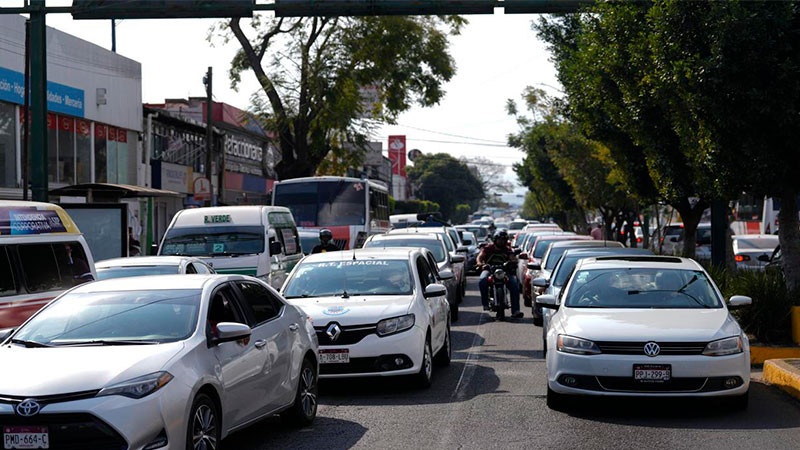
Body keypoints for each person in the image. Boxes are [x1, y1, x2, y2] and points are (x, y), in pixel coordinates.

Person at [476, 230, 523, 319]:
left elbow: (513, 258)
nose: (501, 241)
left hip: (504, 271)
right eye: (499, 240)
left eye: (503, 240)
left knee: (514, 285)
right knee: (482, 280)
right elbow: (480, 257)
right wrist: (480, 264)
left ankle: (516, 310)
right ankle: (485, 303)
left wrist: (512, 262)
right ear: (495, 240)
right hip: (489, 270)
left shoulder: (508, 250)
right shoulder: (488, 248)